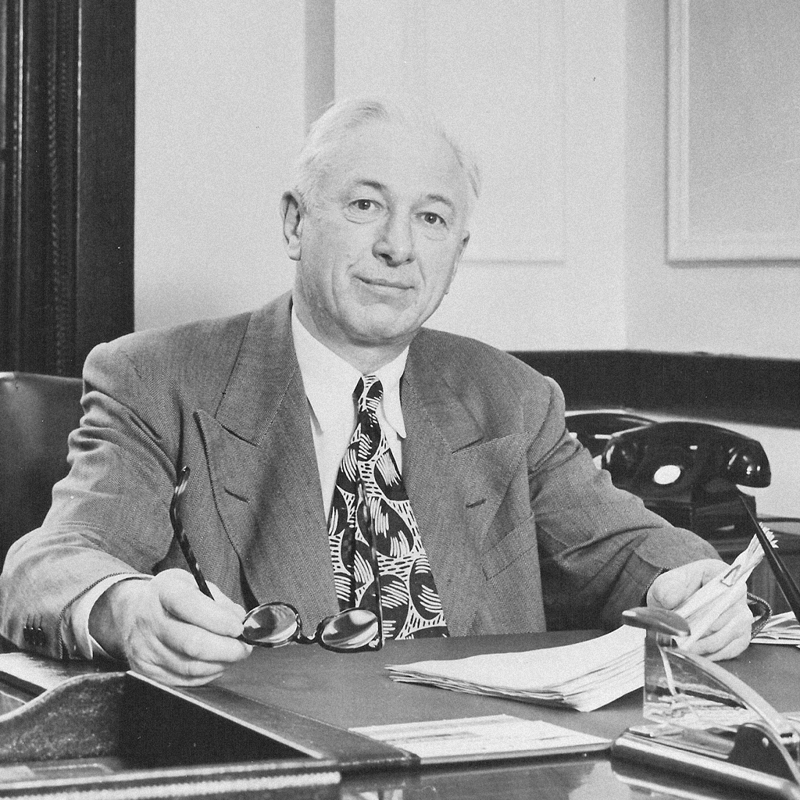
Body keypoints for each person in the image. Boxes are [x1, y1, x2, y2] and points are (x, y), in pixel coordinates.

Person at [0, 98, 753, 687]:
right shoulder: (157, 377)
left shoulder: (511, 399)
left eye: (431, 218)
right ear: (295, 222)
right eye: (365, 206)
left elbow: (626, 550)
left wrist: (691, 587)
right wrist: (124, 610)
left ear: (457, 252)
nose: (398, 245)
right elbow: (49, 563)